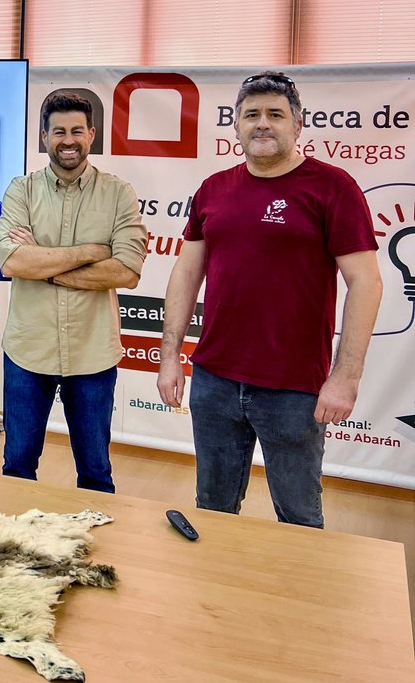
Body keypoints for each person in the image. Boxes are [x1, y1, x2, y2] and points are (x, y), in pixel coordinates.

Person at [156, 71, 382, 528]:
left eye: (275, 114)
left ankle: (299, 597)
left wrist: (346, 376)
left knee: (298, 516)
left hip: (294, 388)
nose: (262, 124)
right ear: (235, 126)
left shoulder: (333, 187)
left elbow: (367, 283)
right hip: (214, 378)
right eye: (251, 115)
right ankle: (215, 596)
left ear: (297, 125)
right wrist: (169, 354)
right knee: (213, 510)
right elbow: (186, 271)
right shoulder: (213, 190)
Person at [0, 92, 147, 493]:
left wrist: (43, 265)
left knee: (96, 473)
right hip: (29, 351)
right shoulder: (20, 191)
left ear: (91, 135)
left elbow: (128, 271)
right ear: (44, 136)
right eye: (58, 131)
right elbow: (12, 263)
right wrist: (89, 254)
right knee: (18, 466)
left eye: (77, 130)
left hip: (92, 353)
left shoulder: (118, 194)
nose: (68, 139)